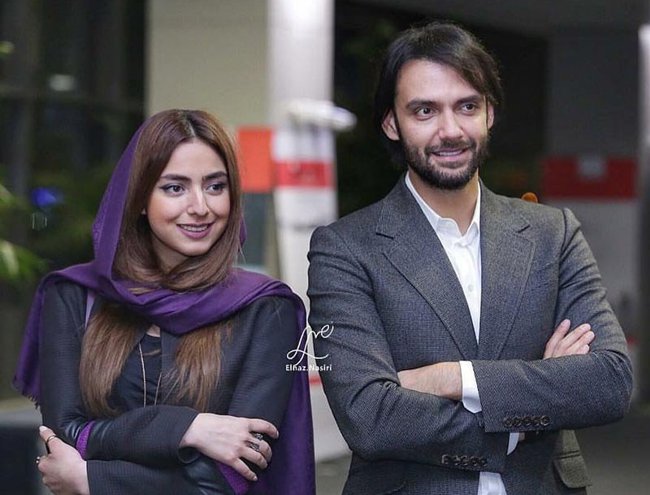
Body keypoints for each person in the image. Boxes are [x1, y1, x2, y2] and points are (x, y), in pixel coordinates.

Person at [307, 22, 632, 495]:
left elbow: (610, 381)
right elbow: (370, 417)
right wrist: (530, 412)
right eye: (425, 110)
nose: (451, 130)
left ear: (489, 113)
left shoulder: (552, 234)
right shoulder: (346, 248)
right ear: (392, 123)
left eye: (467, 106)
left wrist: (452, 378)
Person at [14, 109, 315, 495]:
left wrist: (92, 478)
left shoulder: (266, 308)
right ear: (139, 198)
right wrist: (191, 429)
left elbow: (229, 477)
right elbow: (65, 436)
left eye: (215, 186)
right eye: (175, 188)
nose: (200, 207)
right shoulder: (74, 294)